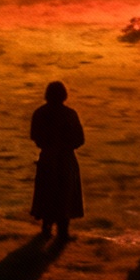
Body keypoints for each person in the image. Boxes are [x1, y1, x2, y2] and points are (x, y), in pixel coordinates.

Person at [29, 81, 85, 238]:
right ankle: (63, 230)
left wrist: (50, 144)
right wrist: (64, 144)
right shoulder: (70, 114)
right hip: (65, 159)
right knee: (65, 193)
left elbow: (35, 136)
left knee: (47, 192)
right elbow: (80, 139)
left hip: (48, 157)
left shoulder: (40, 113)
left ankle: (46, 226)